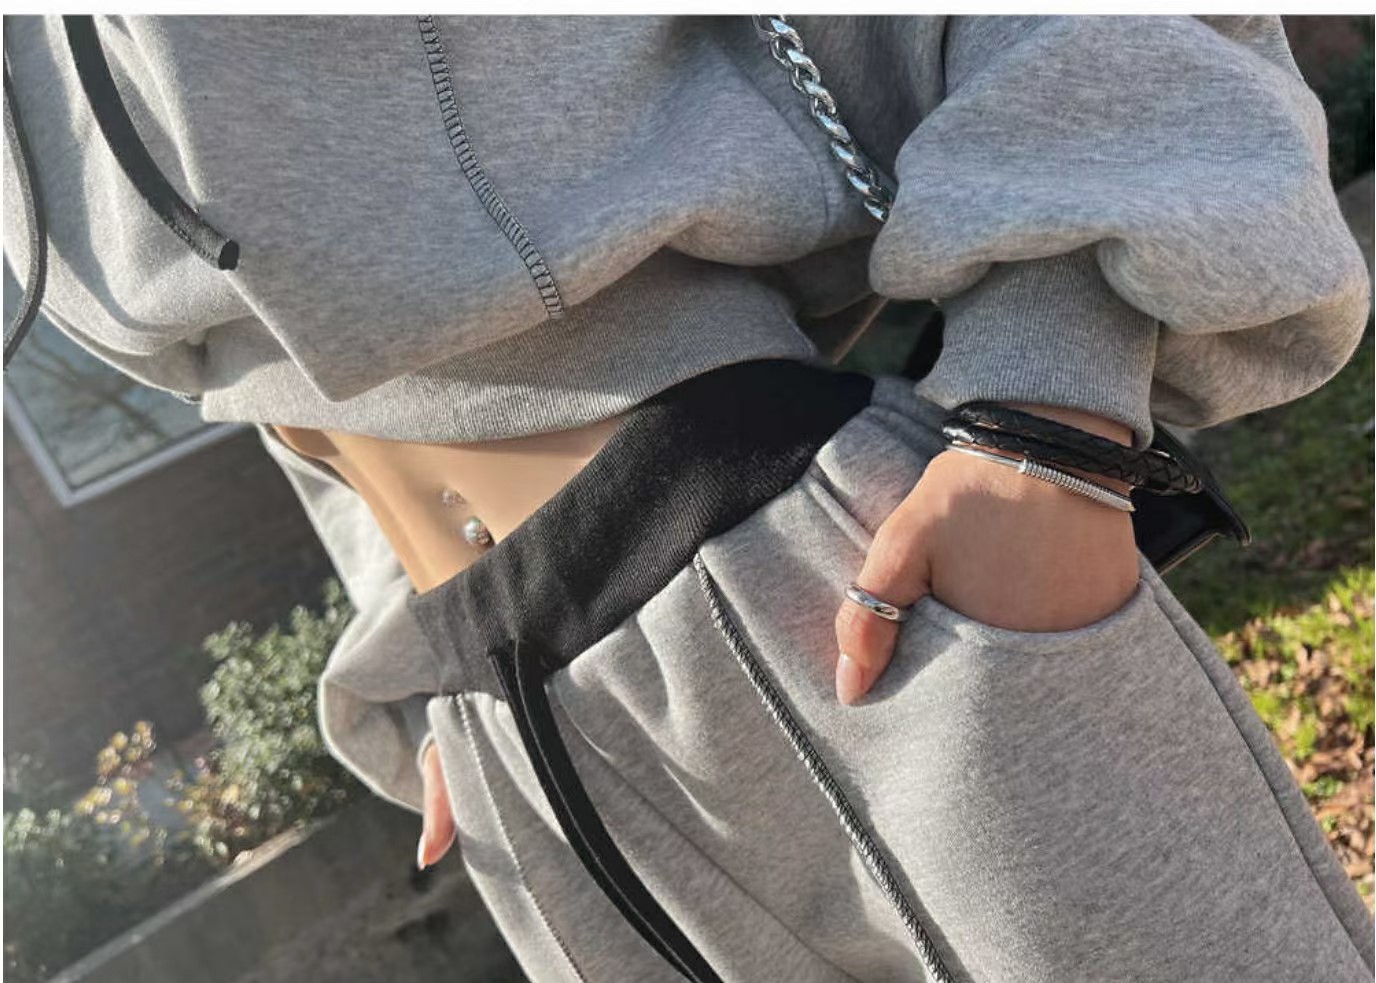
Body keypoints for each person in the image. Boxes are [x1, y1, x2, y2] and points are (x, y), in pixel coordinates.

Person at [5, 14, 1373, 982]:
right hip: (510, 725)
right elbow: (262, 361)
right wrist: (405, 633)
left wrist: (1050, 400)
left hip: (828, 583)